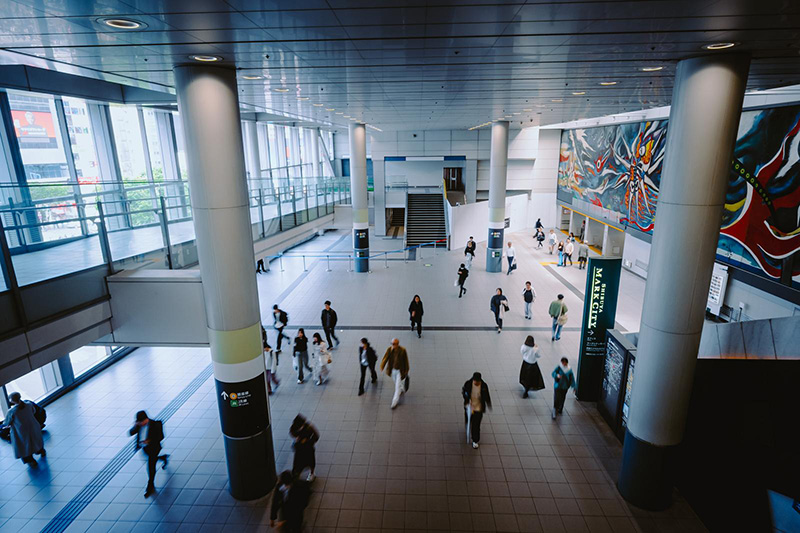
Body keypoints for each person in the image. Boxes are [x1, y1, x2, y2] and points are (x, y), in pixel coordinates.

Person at [129, 410, 169, 498]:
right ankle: (163, 458)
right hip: (144, 448)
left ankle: (150, 485)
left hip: (154, 448)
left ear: (146, 419)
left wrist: (149, 441)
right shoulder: (139, 425)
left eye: (141, 422)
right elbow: (130, 433)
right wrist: (136, 426)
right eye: (139, 422)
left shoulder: (156, 424)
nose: (141, 424)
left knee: (151, 466)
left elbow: (161, 437)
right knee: (152, 460)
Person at [2, 392, 45, 467]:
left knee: (23, 446)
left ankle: (30, 461)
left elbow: (7, 422)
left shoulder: (12, 411)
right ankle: (41, 451)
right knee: (35, 440)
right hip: (33, 426)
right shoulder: (29, 404)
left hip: (21, 431)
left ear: (11, 401)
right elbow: (33, 412)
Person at [462, 372, 492, 449]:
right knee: (469, 420)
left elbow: (486, 396)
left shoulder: (484, 386)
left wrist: (488, 404)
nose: (476, 383)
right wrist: (466, 399)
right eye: (475, 381)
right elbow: (464, 391)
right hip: (469, 407)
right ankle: (468, 426)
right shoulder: (468, 384)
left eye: (478, 382)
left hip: (479, 408)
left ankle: (475, 440)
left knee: (476, 424)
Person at [380, 338, 410, 409]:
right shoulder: (389, 349)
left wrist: (407, 369)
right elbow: (385, 358)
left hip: (400, 370)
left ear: (397, 344)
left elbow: (406, 360)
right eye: (392, 344)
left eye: (394, 344)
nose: (392, 345)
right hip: (392, 370)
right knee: (396, 382)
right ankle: (401, 388)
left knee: (396, 386)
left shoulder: (402, 350)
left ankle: (394, 401)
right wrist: (382, 365)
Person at [289, 414, 319, 481]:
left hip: (308, 447)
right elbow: (291, 432)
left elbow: (316, 436)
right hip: (299, 448)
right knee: (298, 461)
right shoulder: (294, 427)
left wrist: (307, 440)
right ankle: (297, 473)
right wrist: (296, 438)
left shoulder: (308, 427)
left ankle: (311, 473)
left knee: (310, 460)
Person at [262, 326, 279, 395]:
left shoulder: (271, 352)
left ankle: (276, 382)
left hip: (270, 367)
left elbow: (274, 361)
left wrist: (273, 369)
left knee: (271, 378)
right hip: (265, 367)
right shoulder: (262, 352)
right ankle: (269, 389)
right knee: (267, 380)